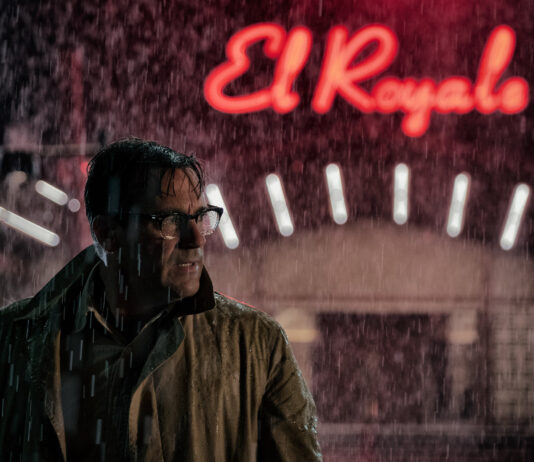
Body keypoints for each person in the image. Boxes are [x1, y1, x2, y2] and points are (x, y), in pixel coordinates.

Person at [0, 138, 323, 461]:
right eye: (170, 221)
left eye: (200, 217)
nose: (195, 239)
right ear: (107, 233)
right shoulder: (14, 339)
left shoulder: (256, 344)